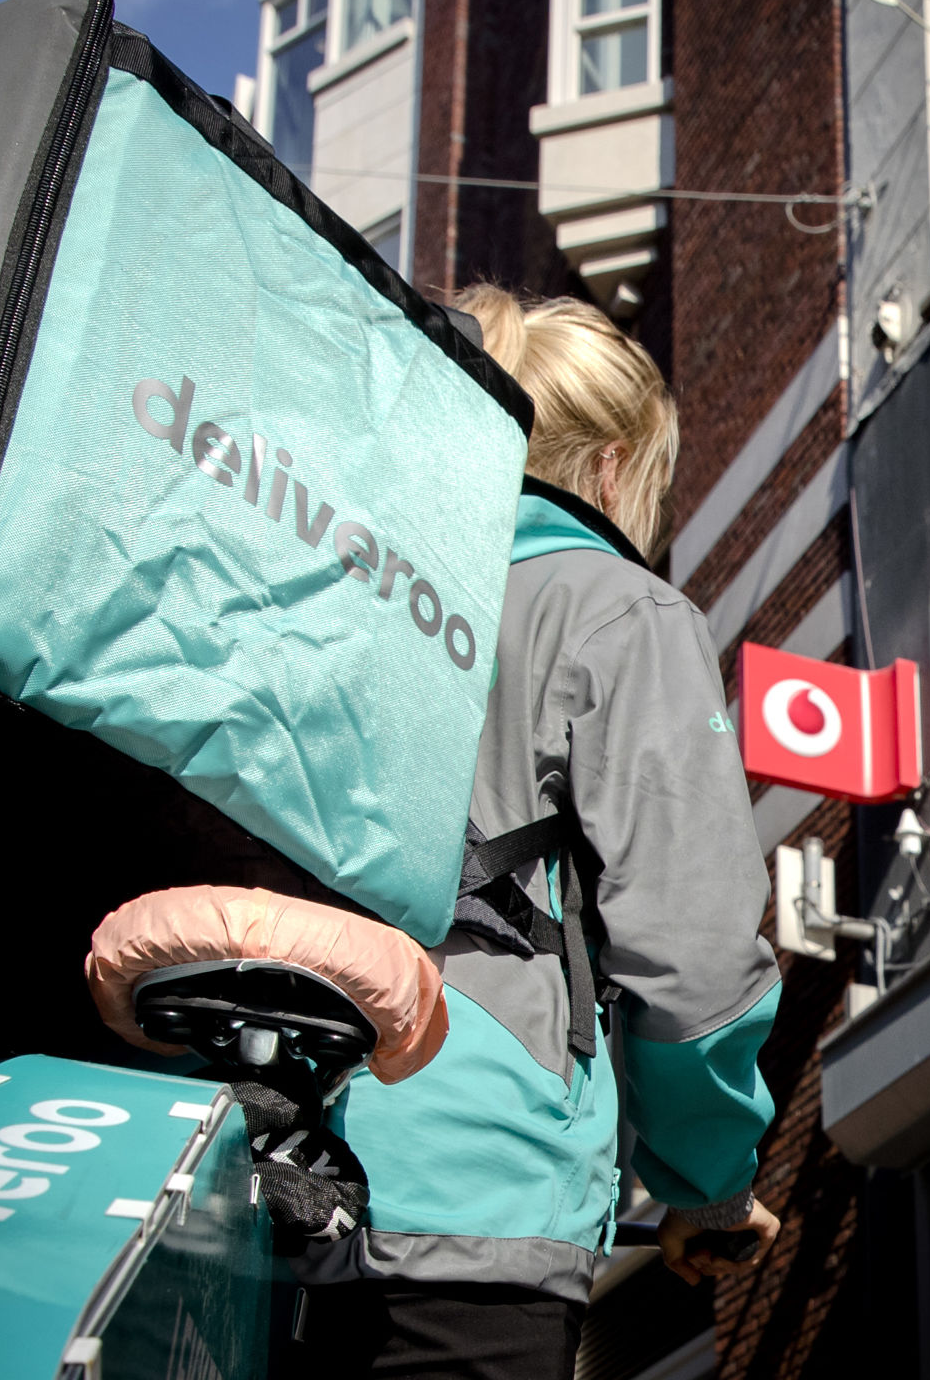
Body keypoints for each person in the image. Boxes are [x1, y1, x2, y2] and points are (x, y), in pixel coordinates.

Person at [94, 286, 783, 1379]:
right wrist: (709, 1187)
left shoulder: (328, 591)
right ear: (612, 469)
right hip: (467, 1207)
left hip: (235, 1173)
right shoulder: (613, 606)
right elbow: (694, 957)